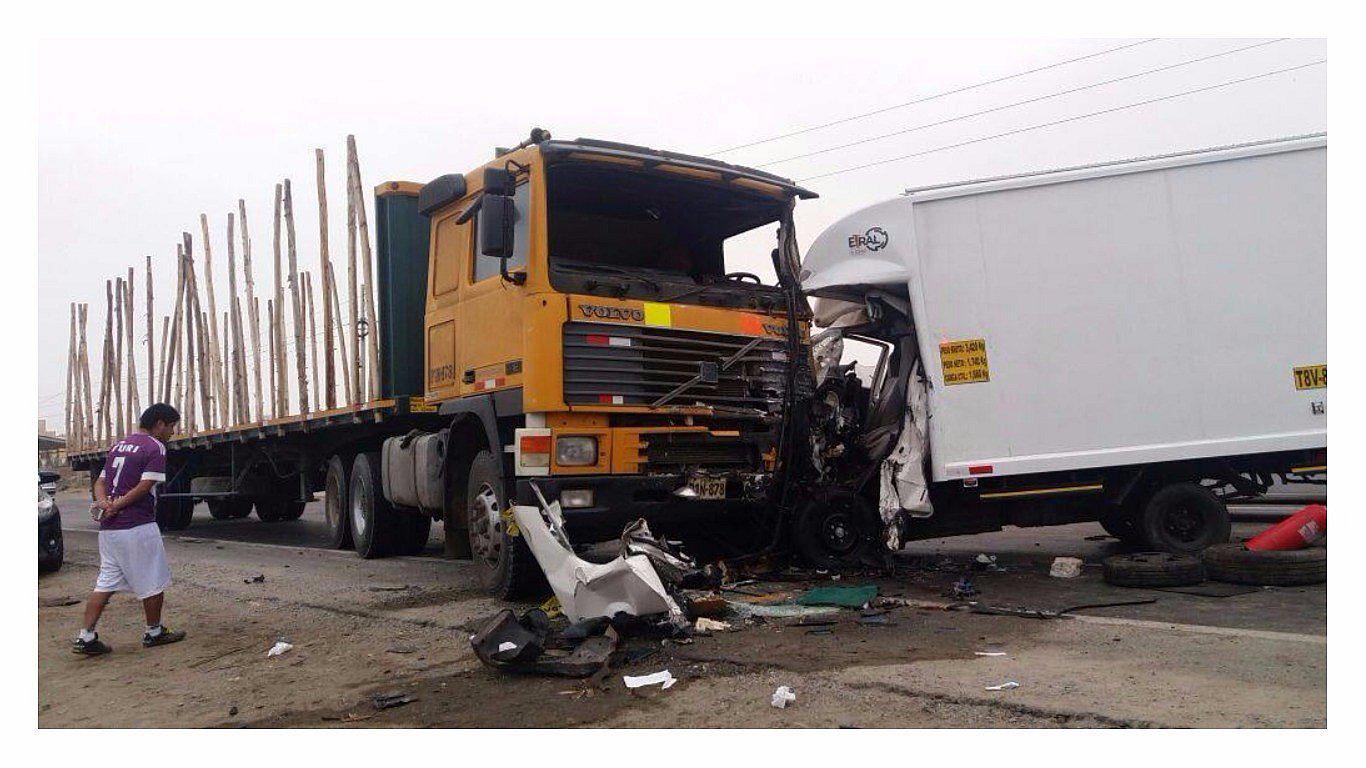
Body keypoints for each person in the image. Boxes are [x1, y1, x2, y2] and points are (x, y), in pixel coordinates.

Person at [73, 403, 187, 656]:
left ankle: (85, 636)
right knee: (153, 580)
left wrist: (105, 504)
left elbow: (100, 482)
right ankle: (154, 632)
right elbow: (145, 486)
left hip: (109, 530)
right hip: (137, 526)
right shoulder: (154, 447)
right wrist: (118, 505)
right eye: (171, 427)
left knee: (105, 582)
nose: (171, 433)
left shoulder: (119, 446)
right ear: (159, 424)